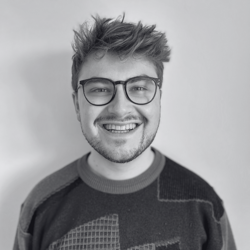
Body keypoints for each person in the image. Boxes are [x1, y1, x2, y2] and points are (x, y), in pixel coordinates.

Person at [13, 14, 237, 250]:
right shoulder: (41, 206)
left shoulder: (203, 205)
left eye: (139, 87)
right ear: (78, 105)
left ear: (159, 99)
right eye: (100, 89)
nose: (120, 109)